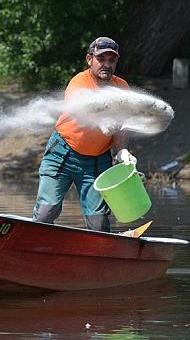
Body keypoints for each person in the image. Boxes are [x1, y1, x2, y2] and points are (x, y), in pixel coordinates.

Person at [32, 36, 136, 232]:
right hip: (63, 153)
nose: (106, 64)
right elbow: (81, 111)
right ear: (90, 60)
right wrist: (104, 120)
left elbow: (122, 125)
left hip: (98, 160)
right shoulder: (79, 82)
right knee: (46, 213)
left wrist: (122, 149)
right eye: (101, 59)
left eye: (111, 60)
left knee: (99, 225)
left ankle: (98, 256)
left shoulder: (122, 87)